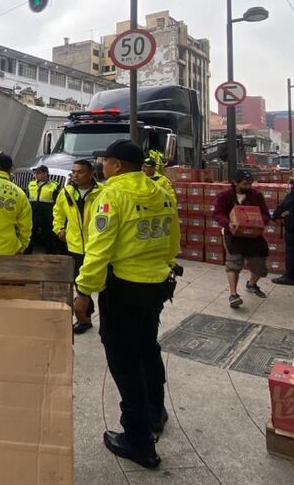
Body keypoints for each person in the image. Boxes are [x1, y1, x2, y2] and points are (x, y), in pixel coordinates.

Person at [73, 139, 179, 469]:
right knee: (148, 349)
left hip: (123, 288)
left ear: (117, 165)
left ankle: (138, 440)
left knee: (123, 361)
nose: (101, 166)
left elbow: (99, 249)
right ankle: (155, 413)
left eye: (105, 161)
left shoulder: (111, 195)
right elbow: (173, 240)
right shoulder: (161, 192)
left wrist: (83, 290)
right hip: (156, 286)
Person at [52, 159, 103, 334]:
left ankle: (108, 319)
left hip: (97, 247)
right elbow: (58, 211)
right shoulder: (66, 192)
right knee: (81, 285)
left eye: (80, 172)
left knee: (104, 285)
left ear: (91, 174)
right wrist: (59, 228)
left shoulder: (102, 193)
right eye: (73, 171)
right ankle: (85, 319)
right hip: (74, 247)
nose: (75, 175)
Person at [213, 169, 271, 308]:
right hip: (232, 234)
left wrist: (259, 222)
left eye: (250, 184)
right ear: (235, 182)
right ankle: (233, 295)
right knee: (233, 262)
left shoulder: (256, 196)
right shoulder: (224, 196)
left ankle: (251, 284)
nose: (248, 187)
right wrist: (228, 223)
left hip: (253, 235)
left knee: (260, 265)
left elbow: (265, 214)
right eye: (245, 184)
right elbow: (218, 214)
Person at [25, 165, 60, 254]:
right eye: (36, 173)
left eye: (39, 173)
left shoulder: (54, 185)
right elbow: (27, 197)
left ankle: (51, 256)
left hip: (47, 214)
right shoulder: (31, 184)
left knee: (49, 236)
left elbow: (57, 201)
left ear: (45, 174)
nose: (36, 175)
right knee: (30, 235)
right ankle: (26, 254)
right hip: (33, 213)